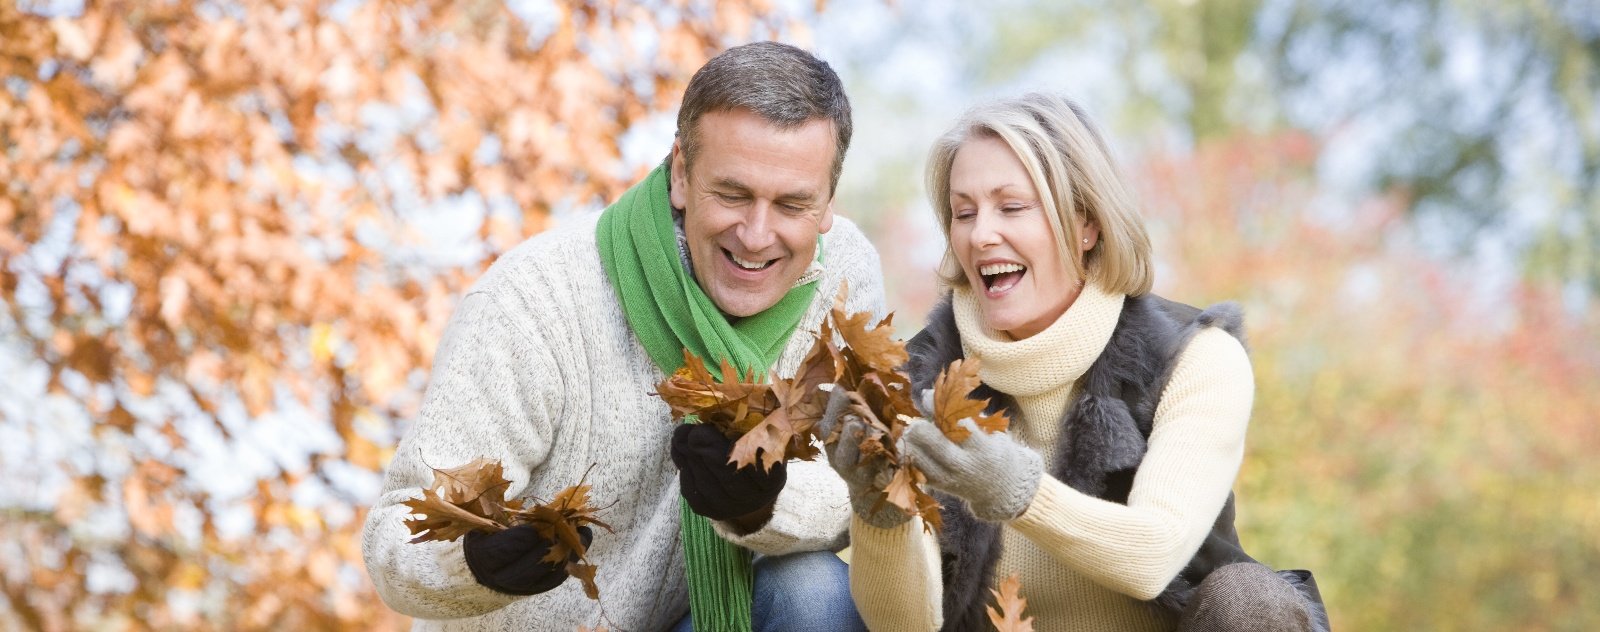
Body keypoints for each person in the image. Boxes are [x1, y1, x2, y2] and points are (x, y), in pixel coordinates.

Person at [362, 42, 881, 632]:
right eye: (733, 195)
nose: (757, 235)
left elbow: (859, 486)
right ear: (682, 173)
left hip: (695, 619)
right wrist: (474, 562)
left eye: (791, 204)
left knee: (814, 590)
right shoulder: (538, 298)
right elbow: (396, 538)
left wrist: (765, 503)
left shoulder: (841, 278)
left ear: (828, 202)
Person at [819, 93, 1327, 631]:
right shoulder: (920, 375)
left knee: (1251, 600)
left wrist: (1017, 490)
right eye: (963, 212)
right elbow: (903, 628)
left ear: (1086, 224)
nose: (980, 233)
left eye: (1011, 207)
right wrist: (878, 508)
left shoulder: (1195, 357)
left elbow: (1153, 556)